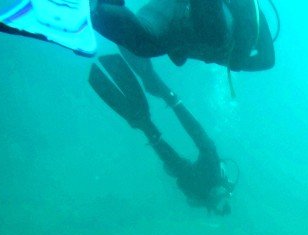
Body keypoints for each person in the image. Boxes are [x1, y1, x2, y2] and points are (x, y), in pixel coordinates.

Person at [88, 53, 236, 214]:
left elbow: (199, 194)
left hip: (204, 183)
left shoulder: (216, 185)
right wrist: (212, 198)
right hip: (198, 187)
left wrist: (217, 191)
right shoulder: (211, 194)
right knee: (194, 156)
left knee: (207, 147)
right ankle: (149, 127)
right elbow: (194, 198)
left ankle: (168, 98)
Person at [90, 0, 275, 72]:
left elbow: (268, 61)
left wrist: (223, 60)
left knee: (142, 45)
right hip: (185, 16)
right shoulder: (253, 14)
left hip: (175, 17)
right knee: (214, 36)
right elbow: (267, 59)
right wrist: (227, 60)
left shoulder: (253, 18)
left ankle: (95, 9)